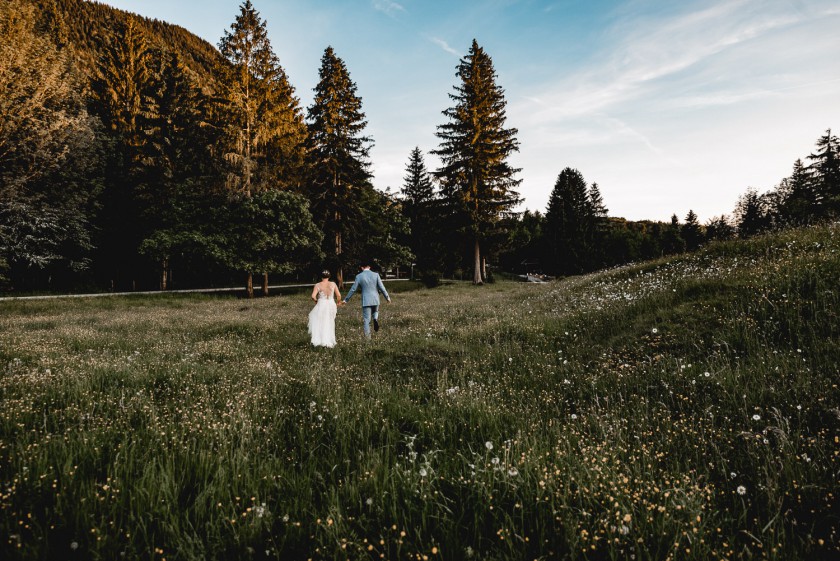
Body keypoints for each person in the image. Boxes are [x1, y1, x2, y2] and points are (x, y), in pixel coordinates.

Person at [342, 261, 391, 338]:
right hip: (375, 299)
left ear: (362, 267)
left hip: (366, 300)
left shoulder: (359, 276)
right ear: (369, 267)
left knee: (366, 320)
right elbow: (382, 287)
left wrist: (346, 299)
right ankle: (375, 318)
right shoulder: (376, 275)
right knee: (376, 311)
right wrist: (387, 297)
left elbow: (353, 289)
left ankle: (368, 340)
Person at [308, 270, 343, 348]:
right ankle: (329, 340)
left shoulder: (317, 285)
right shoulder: (333, 284)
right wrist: (338, 303)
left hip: (321, 304)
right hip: (331, 304)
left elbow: (313, 296)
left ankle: (320, 341)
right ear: (329, 276)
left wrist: (316, 301)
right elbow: (339, 296)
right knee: (330, 322)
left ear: (321, 276)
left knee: (320, 322)